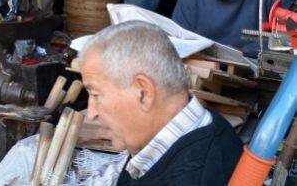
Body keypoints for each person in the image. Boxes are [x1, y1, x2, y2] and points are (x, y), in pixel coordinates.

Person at [80, 22, 242, 185]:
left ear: (143, 93)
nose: (91, 114)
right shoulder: (201, 128)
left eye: (96, 95)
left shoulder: (195, 176)